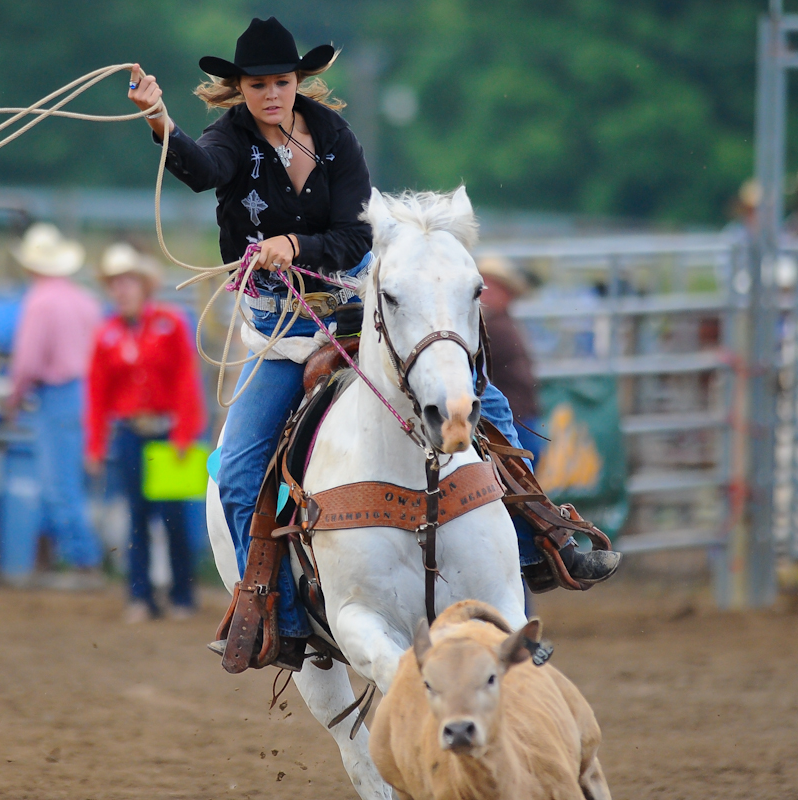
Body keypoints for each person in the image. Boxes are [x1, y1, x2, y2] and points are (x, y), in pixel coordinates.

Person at [128, 17, 619, 670]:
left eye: (280, 81)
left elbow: (357, 238)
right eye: (257, 84)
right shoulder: (229, 139)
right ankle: (271, 607)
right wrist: (161, 122)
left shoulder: (332, 136)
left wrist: (295, 245)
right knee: (241, 470)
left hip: (363, 319)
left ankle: (542, 535)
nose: (270, 94)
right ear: (238, 89)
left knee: (483, 403)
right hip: (281, 337)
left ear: (299, 82)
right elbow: (199, 168)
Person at [87, 243, 205, 622]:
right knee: (136, 517)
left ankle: (182, 594)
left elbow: (187, 382)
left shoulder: (169, 325)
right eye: (115, 284)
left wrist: (186, 433)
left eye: (127, 282)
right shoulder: (106, 334)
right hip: (129, 433)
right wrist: (95, 443)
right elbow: (97, 394)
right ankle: (141, 595)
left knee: (173, 516)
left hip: (168, 433)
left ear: (142, 285)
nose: (121, 290)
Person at [5, 223, 104, 588]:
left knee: (58, 483)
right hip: (86, 393)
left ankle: (83, 561)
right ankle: (68, 559)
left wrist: (13, 398)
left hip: (57, 395)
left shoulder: (39, 300)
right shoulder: (85, 299)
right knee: (68, 480)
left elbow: (27, 361)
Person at [477, 257, 542, 461]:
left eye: (489, 288)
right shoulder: (504, 325)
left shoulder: (495, 329)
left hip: (510, 422)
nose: (482, 294)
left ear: (506, 294)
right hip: (520, 418)